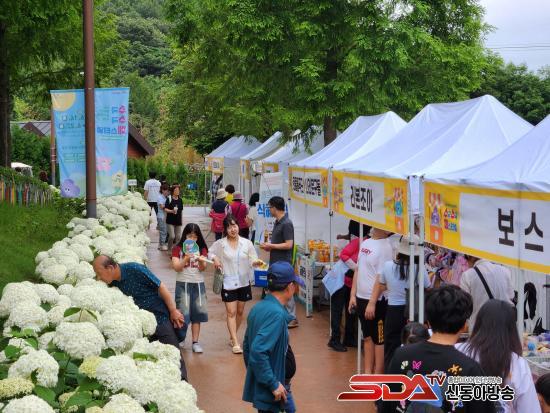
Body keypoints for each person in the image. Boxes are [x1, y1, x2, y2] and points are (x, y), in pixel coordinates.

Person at [382, 285, 496, 413]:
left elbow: (386, 405)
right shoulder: (471, 369)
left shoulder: (401, 356)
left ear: (428, 322)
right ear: (464, 326)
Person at [92, 255, 187, 380]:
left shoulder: (135, 269)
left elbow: (161, 287)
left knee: (173, 354)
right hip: (139, 328)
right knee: (150, 362)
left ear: (110, 268)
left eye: (99, 273)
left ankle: (183, 384)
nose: (99, 278)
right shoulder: (111, 283)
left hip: (159, 317)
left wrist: (173, 310)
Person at [456, 300, 540, 413]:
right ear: (511, 328)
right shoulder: (517, 363)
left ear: (478, 323)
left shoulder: (458, 351)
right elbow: (529, 409)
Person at [242, 261, 305, 413]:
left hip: (276, 385)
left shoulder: (258, 307)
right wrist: (272, 382)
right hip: (275, 389)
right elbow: (257, 351)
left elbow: (247, 346)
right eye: (295, 285)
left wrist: (259, 375)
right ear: (290, 287)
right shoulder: (276, 315)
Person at [368, 234, 431, 369]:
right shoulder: (419, 268)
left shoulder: (387, 266)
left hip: (393, 311)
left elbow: (382, 285)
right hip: (414, 311)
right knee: (414, 347)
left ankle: (391, 377)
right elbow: (427, 287)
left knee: (391, 347)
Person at [210, 215, 264, 354]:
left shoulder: (247, 243)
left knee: (240, 311)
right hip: (228, 282)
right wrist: (215, 258)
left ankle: (232, 336)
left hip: (243, 281)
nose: (232, 229)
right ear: (225, 229)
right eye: (229, 227)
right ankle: (235, 341)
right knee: (231, 312)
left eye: (234, 226)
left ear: (238, 226)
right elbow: (210, 252)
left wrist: (256, 263)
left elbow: (253, 258)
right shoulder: (221, 244)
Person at [348, 227, 394, 374]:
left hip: (377, 301)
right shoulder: (366, 242)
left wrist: (372, 302)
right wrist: (352, 295)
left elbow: (381, 278)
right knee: (367, 337)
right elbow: (358, 269)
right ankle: (368, 373)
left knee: (379, 339)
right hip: (361, 297)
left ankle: (378, 375)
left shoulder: (386, 247)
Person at [325, 220, 370, 352]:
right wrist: (357, 268)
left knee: (351, 310)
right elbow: (343, 254)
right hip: (339, 280)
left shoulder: (366, 242)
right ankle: (334, 340)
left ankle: (349, 338)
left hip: (349, 280)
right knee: (337, 310)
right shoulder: (360, 241)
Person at [260, 196, 298, 328]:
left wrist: (271, 246)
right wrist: (270, 247)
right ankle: (282, 316)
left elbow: (289, 244)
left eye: (269, 207)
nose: (269, 210)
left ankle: (292, 318)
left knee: (286, 288)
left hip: (284, 263)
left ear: (275, 208)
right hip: (276, 261)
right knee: (277, 289)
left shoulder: (286, 223)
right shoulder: (278, 222)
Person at [171, 223, 209, 353]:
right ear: (185, 235)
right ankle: (180, 338)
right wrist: (186, 258)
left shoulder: (202, 249)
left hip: (198, 283)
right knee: (182, 313)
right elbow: (176, 267)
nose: (192, 239)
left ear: (198, 237)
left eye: (195, 237)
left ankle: (195, 342)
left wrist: (202, 261)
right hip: (183, 283)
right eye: (189, 236)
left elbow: (203, 268)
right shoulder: (178, 248)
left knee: (197, 313)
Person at [460, 255, 514, 332]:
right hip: (503, 326)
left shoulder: (467, 275)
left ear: (470, 257)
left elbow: (465, 305)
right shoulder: (505, 271)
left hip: (479, 329)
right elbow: (511, 296)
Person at [165, 185, 184, 250]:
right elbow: (165, 209)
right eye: (176, 190)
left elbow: (181, 211)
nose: (177, 191)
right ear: (173, 191)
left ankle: (176, 250)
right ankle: (169, 248)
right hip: (170, 221)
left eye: (178, 190)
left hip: (178, 221)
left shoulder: (180, 200)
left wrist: (181, 220)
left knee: (178, 237)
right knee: (172, 236)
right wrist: (172, 211)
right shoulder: (169, 199)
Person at [157, 183, 170, 251]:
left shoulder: (167, 197)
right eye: (166, 190)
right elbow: (162, 206)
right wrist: (170, 208)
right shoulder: (160, 197)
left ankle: (160, 245)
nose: (167, 192)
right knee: (163, 231)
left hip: (166, 216)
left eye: (168, 191)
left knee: (165, 230)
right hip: (161, 216)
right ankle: (162, 245)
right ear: (162, 190)